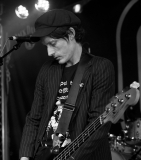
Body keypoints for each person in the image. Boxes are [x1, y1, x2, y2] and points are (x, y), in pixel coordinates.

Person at [19, 9, 115, 160]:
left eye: (53, 43)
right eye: (46, 46)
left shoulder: (100, 67)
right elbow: (34, 118)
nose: (49, 52)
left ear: (71, 34)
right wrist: (25, 156)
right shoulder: (47, 70)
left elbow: (99, 124)